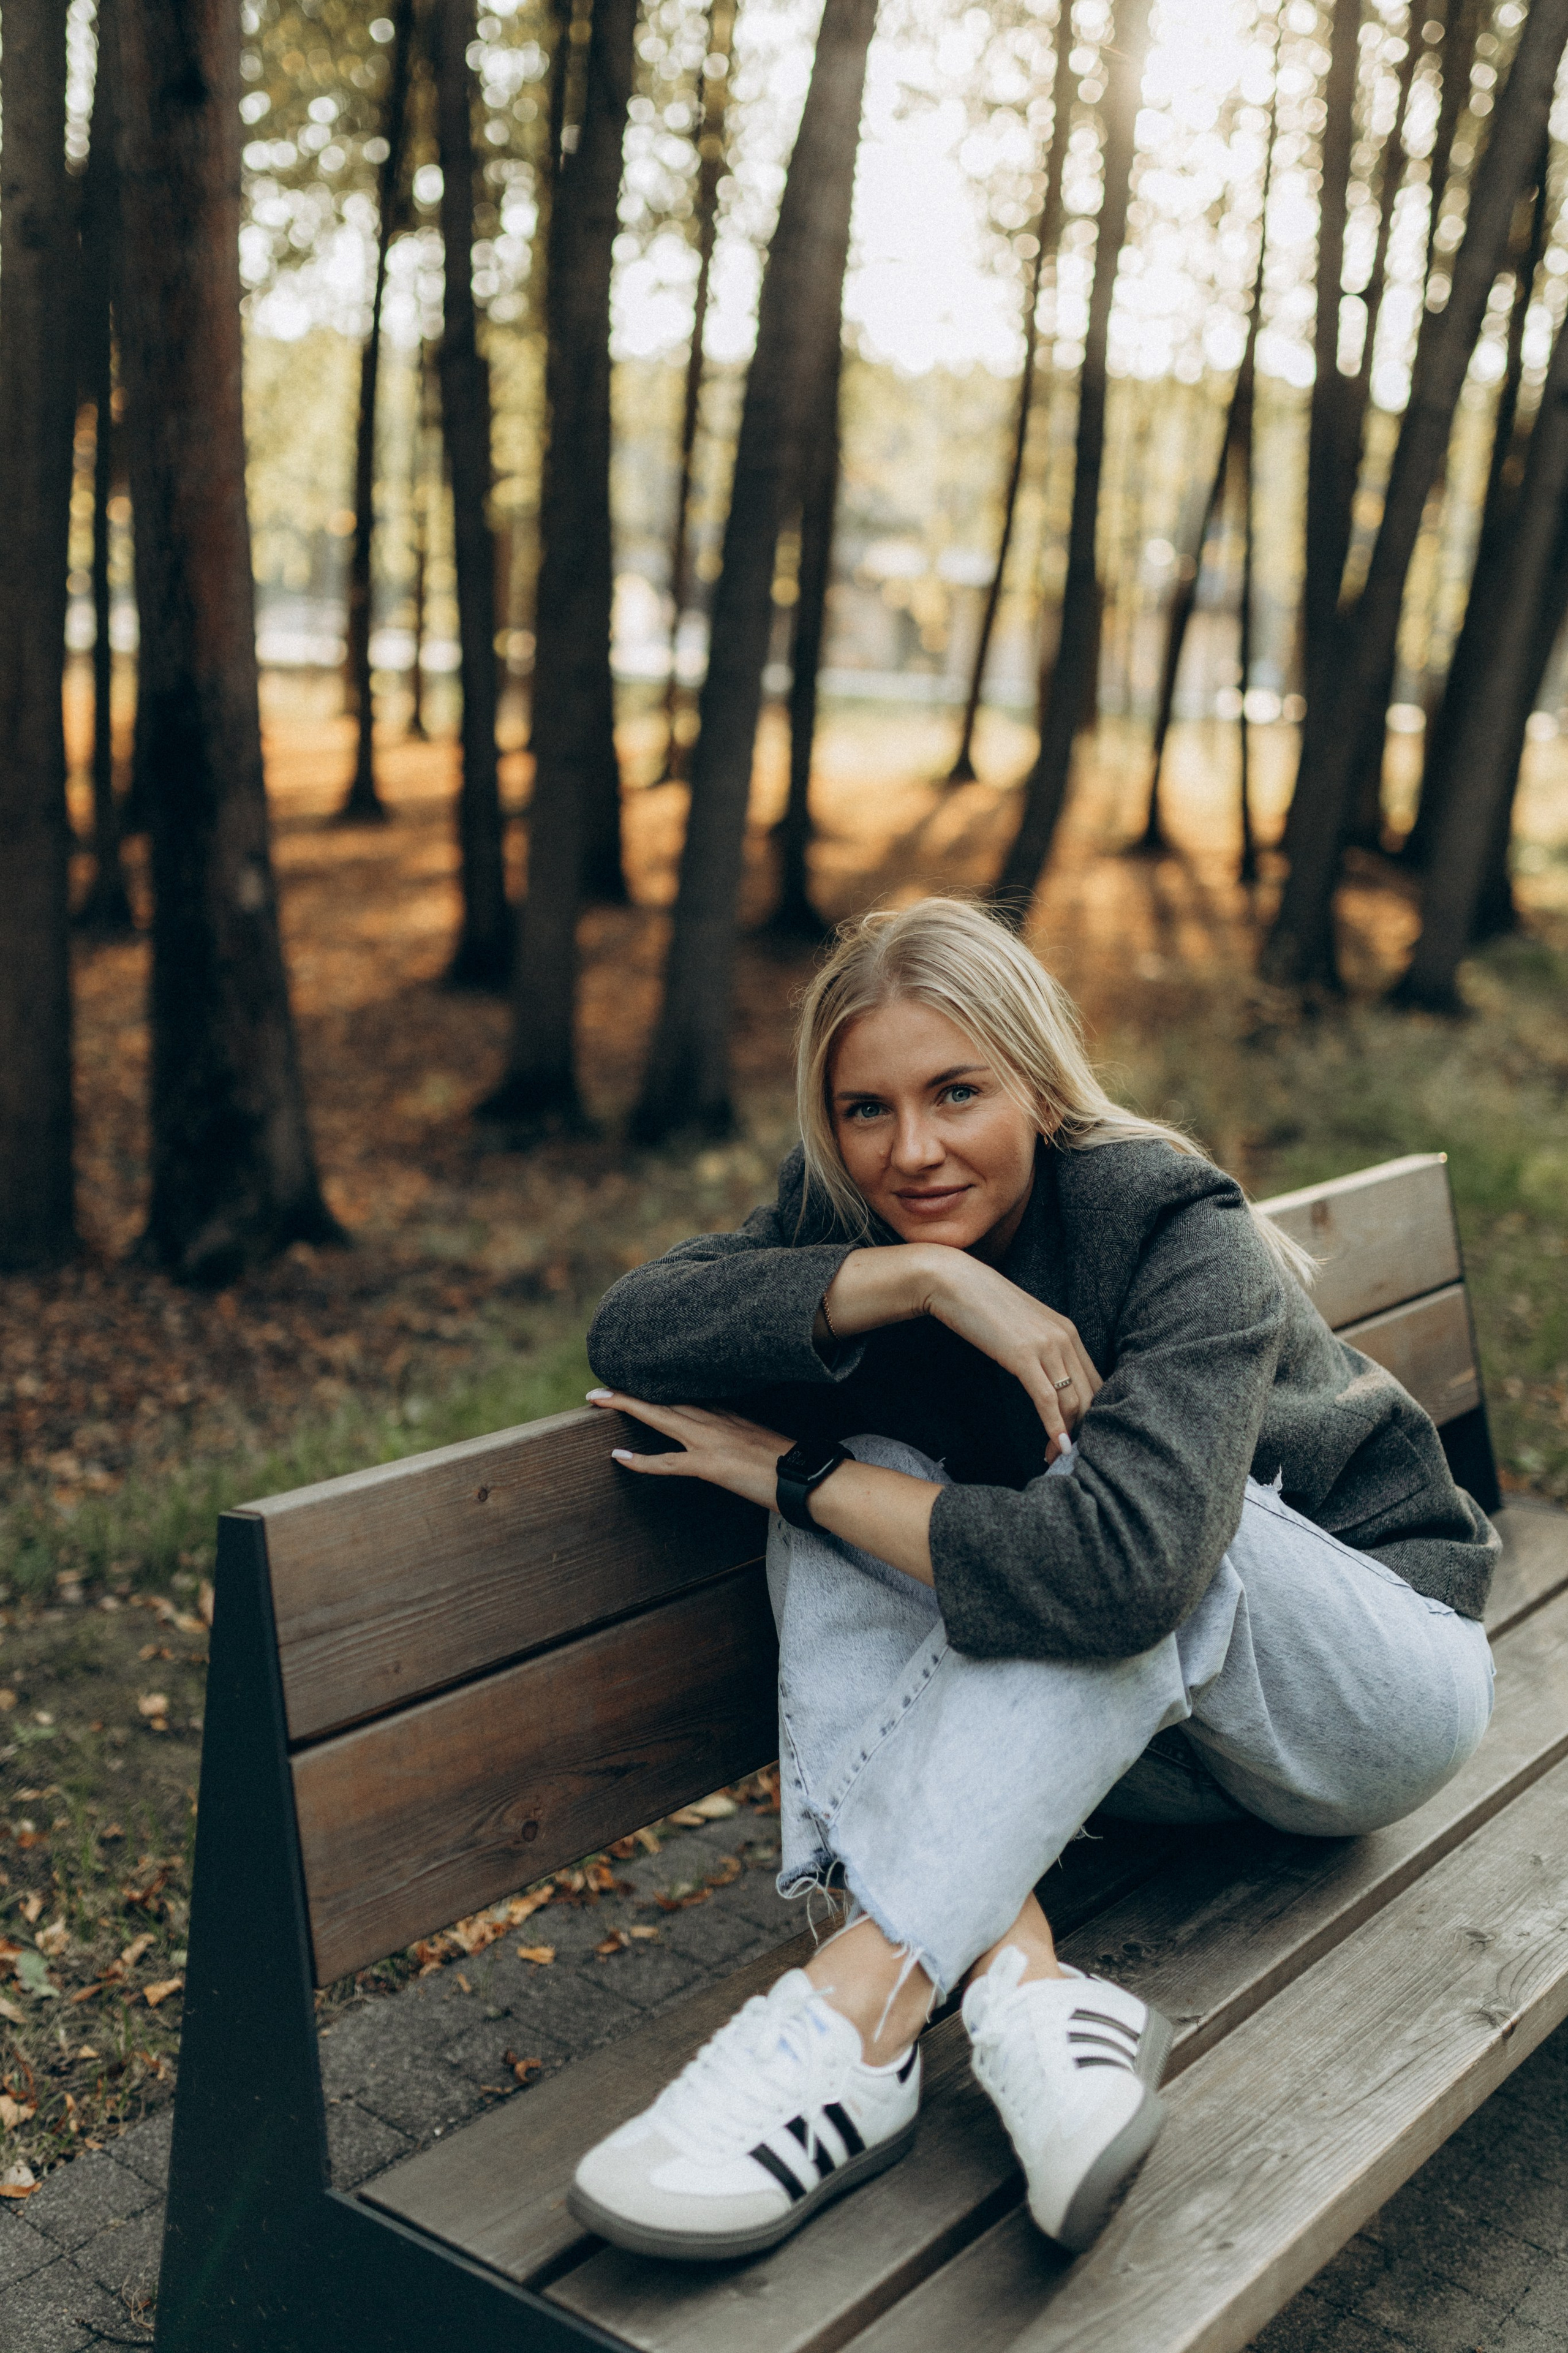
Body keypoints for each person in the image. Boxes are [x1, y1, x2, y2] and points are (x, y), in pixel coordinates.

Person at [567, 897, 1498, 2264]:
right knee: (876, 1475)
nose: (912, 1148)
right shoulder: (853, 1215)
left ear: (1038, 1081)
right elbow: (631, 1326)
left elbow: (1127, 1573)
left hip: (1362, 1698)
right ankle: (1028, 1998)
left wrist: (797, 1476)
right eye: (866, 1108)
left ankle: (854, 2014)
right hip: (1132, 1754)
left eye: (957, 1092)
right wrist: (923, 1281)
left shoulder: (1175, 1226)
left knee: (1071, 1515)